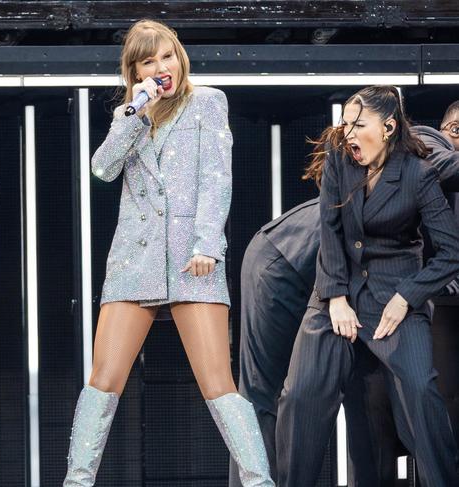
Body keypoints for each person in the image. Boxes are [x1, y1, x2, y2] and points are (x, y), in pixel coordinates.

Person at [62, 19, 273, 487]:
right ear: (134, 72)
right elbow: (101, 169)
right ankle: (76, 482)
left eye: (167, 56)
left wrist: (207, 246)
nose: (162, 68)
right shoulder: (130, 117)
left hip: (190, 259)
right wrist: (135, 113)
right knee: (102, 381)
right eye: (149, 61)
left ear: (180, 56)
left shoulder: (207, 103)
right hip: (132, 260)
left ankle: (260, 482)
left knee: (218, 383)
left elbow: (216, 179)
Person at [230, 110, 459, 486]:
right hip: (286, 263)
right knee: (265, 396)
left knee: (366, 400)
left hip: (354, 289)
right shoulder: (426, 139)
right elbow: (448, 167)